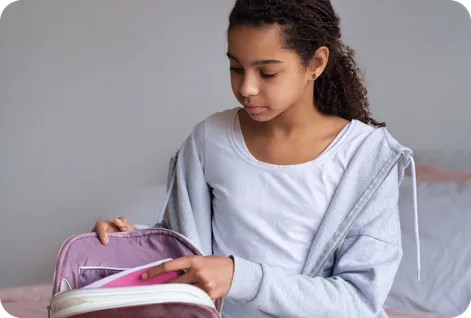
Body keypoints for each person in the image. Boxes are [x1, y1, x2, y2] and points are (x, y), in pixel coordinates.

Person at [92, 0, 421, 317]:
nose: (246, 87)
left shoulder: (365, 158)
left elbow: (358, 301)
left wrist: (239, 276)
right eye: (236, 68)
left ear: (316, 64)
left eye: (267, 73)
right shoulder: (210, 139)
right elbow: (186, 247)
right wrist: (132, 242)